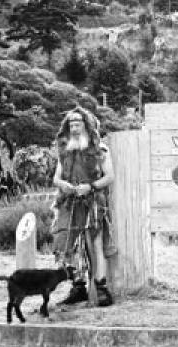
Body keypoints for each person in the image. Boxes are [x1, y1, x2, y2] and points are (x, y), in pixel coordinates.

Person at [51, 106, 116, 307]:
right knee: (68, 246)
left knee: (94, 245)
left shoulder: (99, 149)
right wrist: (64, 185)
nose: (74, 126)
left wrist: (90, 186)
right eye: (71, 123)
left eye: (78, 122)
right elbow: (56, 178)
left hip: (93, 203)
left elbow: (109, 177)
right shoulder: (65, 151)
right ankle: (78, 287)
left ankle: (102, 289)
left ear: (86, 124)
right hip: (69, 204)